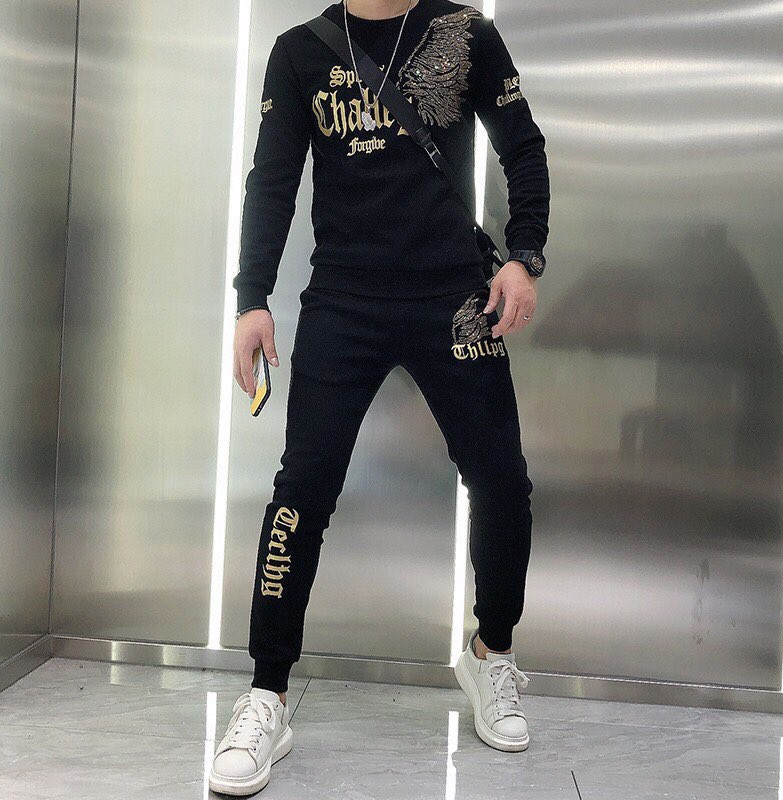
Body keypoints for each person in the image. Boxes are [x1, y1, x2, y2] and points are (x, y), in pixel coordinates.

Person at [209, 0, 549, 793]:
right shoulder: (300, 52)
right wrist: (252, 298)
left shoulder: (466, 33)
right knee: (301, 492)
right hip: (344, 302)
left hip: (455, 295)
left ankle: (491, 654)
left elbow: (522, 145)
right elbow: (271, 180)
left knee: (502, 480)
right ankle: (267, 695)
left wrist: (524, 254)